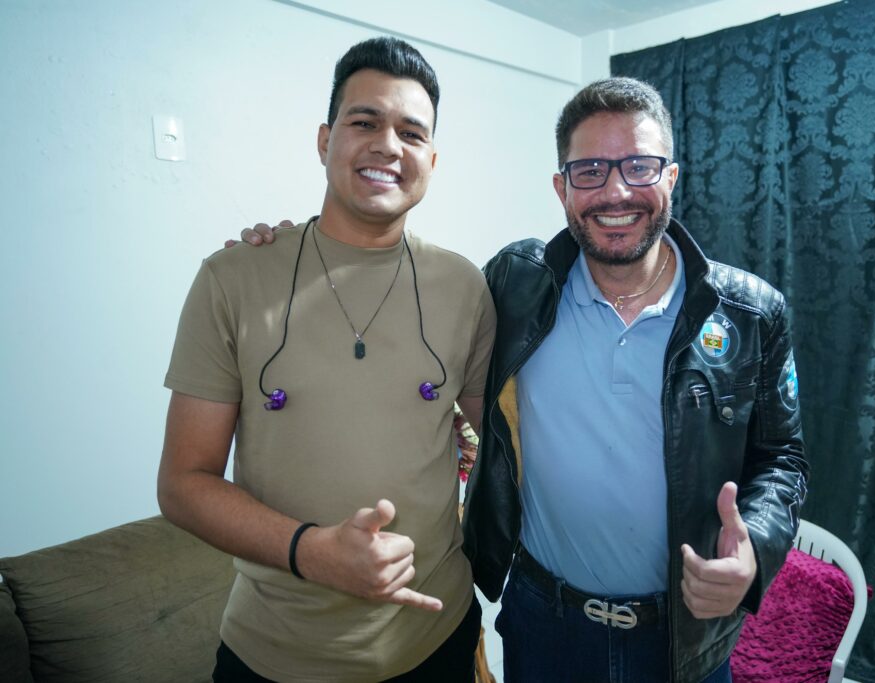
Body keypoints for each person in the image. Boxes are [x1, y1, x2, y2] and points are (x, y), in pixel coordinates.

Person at [238, 77, 809, 683]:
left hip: (685, 640)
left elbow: (784, 459)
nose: (615, 190)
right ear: (562, 189)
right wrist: (291, 250)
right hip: (545, 626)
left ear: (670, 177)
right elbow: (398, 301)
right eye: (589, 170)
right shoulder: (514, 284)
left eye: (639, 167)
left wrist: (755, 551)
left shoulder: (749, 312)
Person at [159, 37, 495, 683]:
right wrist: (310, 550)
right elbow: (183, 482)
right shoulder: (234, 276)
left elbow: (504, 438)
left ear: (431, 157)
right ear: (325, 140)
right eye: (364, 122)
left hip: (439, 636)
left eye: (410, 132)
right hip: (277, 653)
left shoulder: (464, 284)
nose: (387, 146)